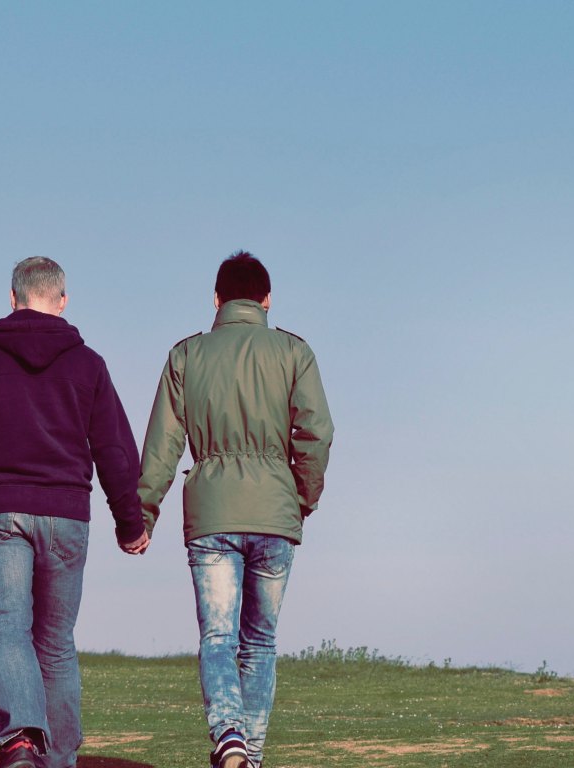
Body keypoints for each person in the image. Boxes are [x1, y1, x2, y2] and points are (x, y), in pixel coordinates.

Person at [0, 257, 148, 768]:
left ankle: (21, 740)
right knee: (55, 642)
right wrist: (130, 523)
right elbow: (114, 449)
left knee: (6, 628)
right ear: (62, 301)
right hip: (67, 514)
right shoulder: (88, 363)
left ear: (12, 297)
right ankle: (58, 759)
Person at [137, 251, 334, 768]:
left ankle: (230, 738)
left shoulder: (186, 356)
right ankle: (251, 754)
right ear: (267, 300)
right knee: (260, 643)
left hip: (212, 515)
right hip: (276, 512)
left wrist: (144, 512)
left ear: (217, 299)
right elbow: (316, 432)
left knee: (218, 638)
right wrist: (302, 497)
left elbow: (163, 444)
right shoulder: (294, 352)